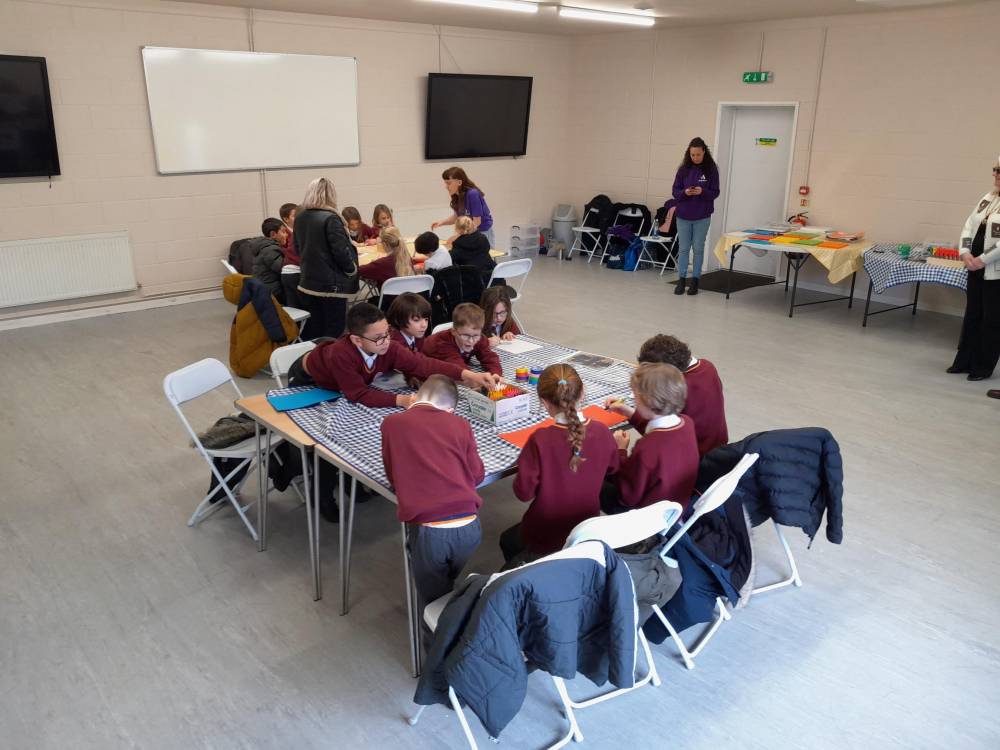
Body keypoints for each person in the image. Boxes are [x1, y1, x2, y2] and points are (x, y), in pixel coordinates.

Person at [500, 364, 620, 565]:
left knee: (508, 541)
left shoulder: (539, 440)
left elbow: (524, 493)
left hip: (544, 533)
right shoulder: (602, 431)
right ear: (582, 393)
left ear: (544, 403)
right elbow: (613, 469)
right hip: (585, 527)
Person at [381, 375, 484, 607]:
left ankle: (436, 638)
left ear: (416, 397)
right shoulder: (461, 424)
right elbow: (477, 475)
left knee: (433, 601)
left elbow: (393, 475)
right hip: (470, 527)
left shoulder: (391, 424)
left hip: (431, 531)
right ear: (449, 409)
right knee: (448, 584)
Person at [288, 302, 498, 410]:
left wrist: (470, 375)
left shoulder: (389, 346)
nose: (386, 341)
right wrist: (402, 400)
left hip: (340, 379)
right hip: (308, 378)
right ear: (356, 340)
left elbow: (423, 364)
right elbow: (358, 394)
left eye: (387, 333)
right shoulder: (341, 354)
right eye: (378, 338)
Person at [605, 333, 728, 456]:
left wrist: (621, 450)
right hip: (717, 448)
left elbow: (662, 434)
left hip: (696, 458)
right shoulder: (707, 366)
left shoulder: (677, 389)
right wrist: (627, 411)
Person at [601, 363, 699, 514]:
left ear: (647, 401)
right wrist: (629, 413)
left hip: (647, 516)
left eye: (635, 395)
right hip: (676, 504)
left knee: (594, 474)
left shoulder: (647, 448)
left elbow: (626, 496)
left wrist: (620, 451)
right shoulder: (687, 423)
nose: (633, 399)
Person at [948, 158, 1000, 382]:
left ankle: (982, 366)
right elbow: (969, 225)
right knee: (972, 315)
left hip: (995, 272)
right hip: (974, 267)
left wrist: (983, 260)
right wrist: (964, 252)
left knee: (991, 319)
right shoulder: (988, 198)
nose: (997, 175)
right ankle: (964, 361)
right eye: (996, 170)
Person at [295, 177, 359, 338]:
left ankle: (315, 359)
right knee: (335, 328)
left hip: (309, 280)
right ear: (331, 195)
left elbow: (297, 247)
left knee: (317, 326)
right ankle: (329, 360)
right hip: (332, 286)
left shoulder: (300, 217)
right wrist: (351, 270)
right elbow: (340, 251)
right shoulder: (331, 218)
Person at [671, 137, 720, 296]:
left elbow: (715, 192)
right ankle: (681, 280)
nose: (695, 158)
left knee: (698, 248)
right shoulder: (683, 169)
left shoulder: (711, 170)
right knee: (684, 248)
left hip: (702, 216)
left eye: (698, 154)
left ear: (704, 152)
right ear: (688, 154)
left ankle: (695, 281)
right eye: (692, 155)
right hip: (683, 215)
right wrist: (685, 192)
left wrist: (702, 192)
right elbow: (675, 191)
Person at [422, 303, 502, 375]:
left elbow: (489, 357)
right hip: (423, 371)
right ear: (454, 331)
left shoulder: (480, 338)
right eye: (466, 335)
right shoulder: (442, 344)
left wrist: (496, 375)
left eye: (475, 336)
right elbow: (459, 369)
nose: (471, 340)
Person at [432, 166, 495, 248]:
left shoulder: (472, 194)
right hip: (469, 233)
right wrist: (442, 223)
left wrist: (458, 236)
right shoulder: (457, 196)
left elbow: (477, 222)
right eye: (445, 183)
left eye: (449, 183)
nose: (446, 186)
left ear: (459, 182)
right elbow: (456, 217)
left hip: (482, 233)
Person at [360, 228, 418, 305]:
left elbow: (358, 271)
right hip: (411, 304)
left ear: (385, 244)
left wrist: (374, 263)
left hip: (390, 307)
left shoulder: (381, 264)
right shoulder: (408, 259)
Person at [250, 218, 288, 303]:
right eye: (283, 232)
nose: (286, 235)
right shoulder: (270, 250)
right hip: (273, 293)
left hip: (264, 289)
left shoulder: (264, 247)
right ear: (273, 234)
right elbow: (284, 269)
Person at [450, 216, 496, 286]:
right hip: (491, 280)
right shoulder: (483, 240)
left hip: (472, 284)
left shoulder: (458, 245)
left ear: (458, 230)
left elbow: (450, 260)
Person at [278, 203, 303, 309]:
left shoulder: (295, 231)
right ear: (286, 219)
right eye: (294, 216)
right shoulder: (286, 234)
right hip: (293, 270)